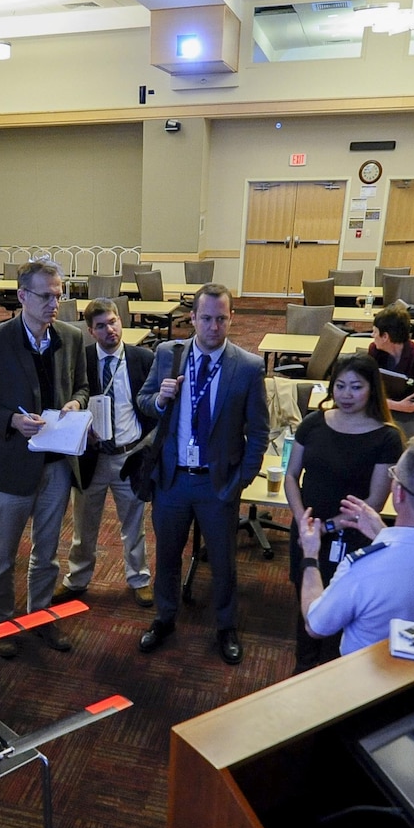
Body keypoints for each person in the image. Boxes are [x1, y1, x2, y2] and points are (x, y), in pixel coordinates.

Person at [135, 284, 269, 665]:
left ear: (231, 319)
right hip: (173, 479)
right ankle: (164, 618)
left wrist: (240, 479)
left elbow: (258, 431)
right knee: (167, 555)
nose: (213, 326)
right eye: (206, 318)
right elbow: (144, 403)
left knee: (223, 561)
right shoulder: (167, 354)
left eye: (221, 319)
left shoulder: (247, 366)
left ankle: (226, 626)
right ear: (192, 318)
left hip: (217, 482)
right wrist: (160, 399)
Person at [0, 260, 91, 655]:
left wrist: (75, 402)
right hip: (13, 464)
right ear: (22, 296)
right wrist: (11, 421)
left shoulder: (70, 338)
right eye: (46, 295)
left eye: (59, 295)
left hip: (56, 466)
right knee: (3, 554)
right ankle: (0, 621)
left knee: (47, 553)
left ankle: (39, 616)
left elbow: (85, 387)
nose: (55, 303)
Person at [297, 437, 414, 658]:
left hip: (366, 680)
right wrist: (382, 533)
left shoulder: (362, 568)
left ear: (399, 493)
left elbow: (314, 625)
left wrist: (310, 555)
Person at [284, 353, 403, 671]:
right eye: (340, 386)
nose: (346, 395)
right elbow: (291, 476)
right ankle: (302, 671)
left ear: (372, 390)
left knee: (341, 611)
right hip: (308, 532)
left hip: (351, 537)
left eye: (356, 387)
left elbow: (373, 504)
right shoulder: (313, 423)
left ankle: (332, 675)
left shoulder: (386, 437)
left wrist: (328, 528)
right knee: (307, 607)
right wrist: (302, 521)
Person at [61, 300, 154, 608]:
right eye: (100, 326)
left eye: (113, 322)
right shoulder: (82, 360)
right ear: (91, 331)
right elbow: (72, 399)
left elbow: (152, 406)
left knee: (134, 524)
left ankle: (138, 577)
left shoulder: (142, 359)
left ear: (121, 321)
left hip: (130, 455)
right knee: (84, 524)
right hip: (93, 457)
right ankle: (77, 579)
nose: (109, 329)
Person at [367, 306, 414, 425]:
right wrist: (397, 405)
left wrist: (380, 401)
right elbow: (366, 390)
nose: (372, 335)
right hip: (378, 411)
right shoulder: (374, 350)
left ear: (385, 337)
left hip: (407, 418)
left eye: (375, 331)